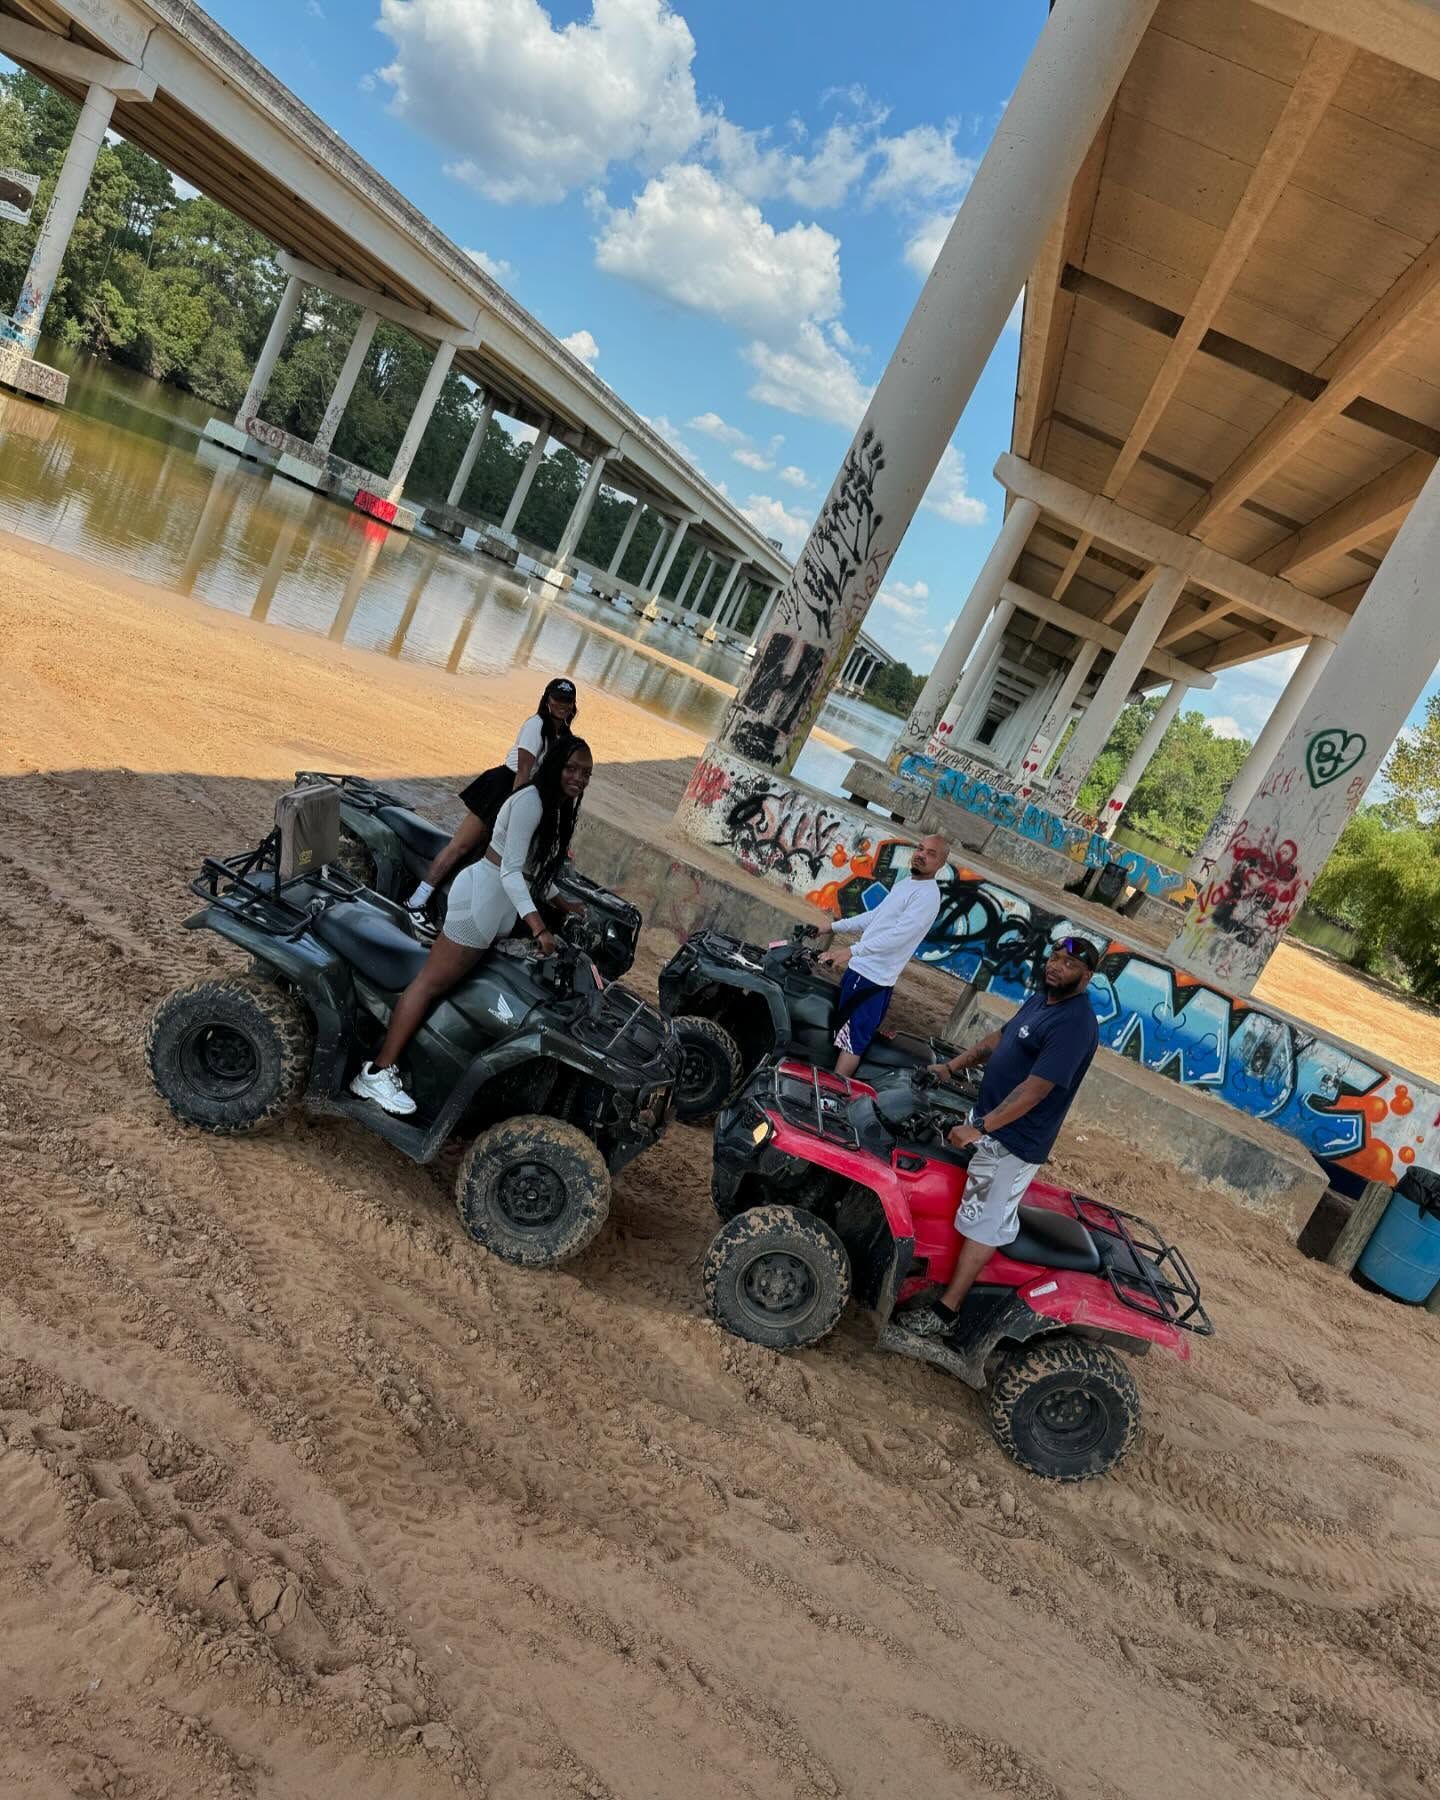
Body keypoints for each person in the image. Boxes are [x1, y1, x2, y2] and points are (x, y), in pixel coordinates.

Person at [352, 737, 593, 1116]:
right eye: (572, 768)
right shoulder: (531, 802)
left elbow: (534, 871)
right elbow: (511, 872)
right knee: (430, 983)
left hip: (497, 907)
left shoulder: (554, 808)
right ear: (555, 765)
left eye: (586, 773)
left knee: (456, 986)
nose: (579, 778)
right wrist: (539, 929)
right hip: (482, 898)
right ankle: (377, 1071)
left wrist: (568, 905)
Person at [900, 934, 1102, 1338]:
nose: (1056, 966)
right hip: (989, 1121)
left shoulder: (1075, 1025)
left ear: (1087, 975)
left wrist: (982, 1128)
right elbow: (1000, 1039)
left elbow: (1035, 1090)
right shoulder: (1043, 999)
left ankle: (947, 1310)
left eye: (1068, 964)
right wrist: (952, 1066)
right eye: (1055, 957)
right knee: (959, 1197)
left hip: (1014, 1140)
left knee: (985, 1223)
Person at [406, 678, 577, 911]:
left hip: (528, 795)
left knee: (489, 859)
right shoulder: (536, 725)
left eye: (567, 701)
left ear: (573, 705)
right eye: (557, 698)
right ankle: (416, 901)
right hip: (504, 786)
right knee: (462, 846)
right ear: (548, 698)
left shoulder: (565, 738)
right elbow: (523, 772)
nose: (562, 705)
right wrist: (516, 814)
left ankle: (449, 908)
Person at [814, 833, 951, 1078]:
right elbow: (874, 916)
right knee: (843, 1028)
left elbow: (898, 937)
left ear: (941, 864)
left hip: (874, 978)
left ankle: (833, 1090)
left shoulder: (927, 897)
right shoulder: (906, 884)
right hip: (860, 970)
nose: (921, 855)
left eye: (931, 853)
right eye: (920, 848)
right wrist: (832, 927)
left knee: (853, 1040)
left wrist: (849, 951)